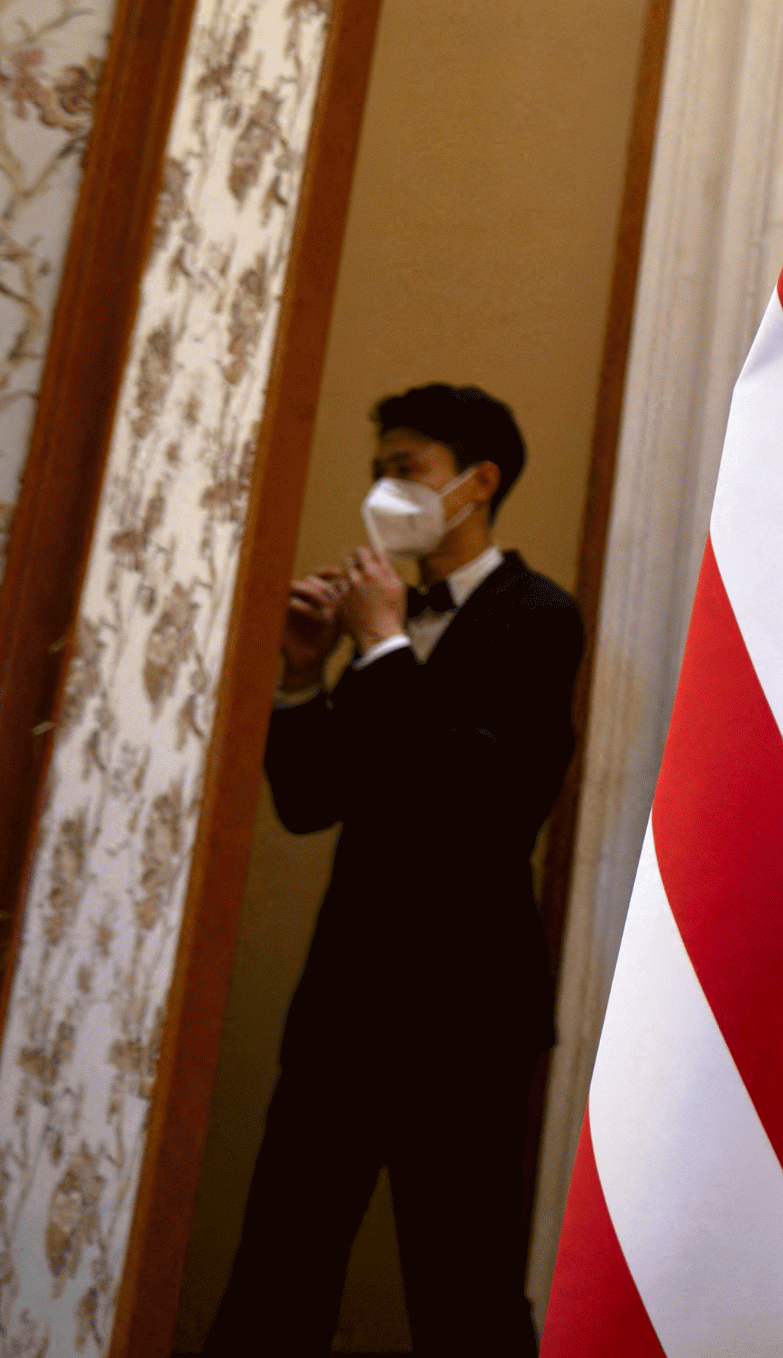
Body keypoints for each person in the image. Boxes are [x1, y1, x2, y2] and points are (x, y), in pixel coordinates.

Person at [210, 382, 585, 1358]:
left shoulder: (537, 618)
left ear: (477, 482)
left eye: (405, 468)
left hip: (465, 1019)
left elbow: (476, 807)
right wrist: (301, 675)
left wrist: (379, 646)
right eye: (378, 471)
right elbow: (308, 803)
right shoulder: (390, 618)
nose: (383, 491)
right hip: (343, 1005)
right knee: (276, 1275)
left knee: (463, 1293)